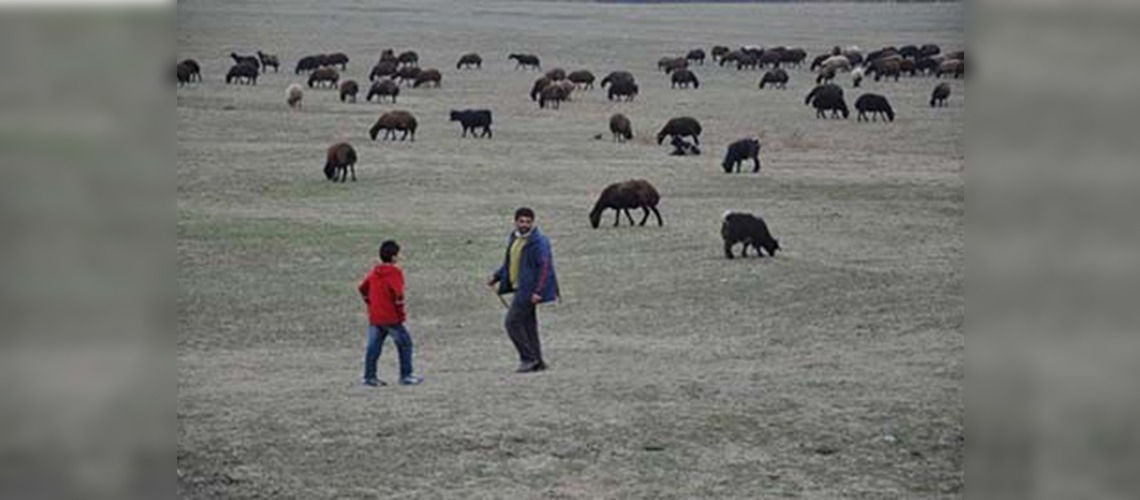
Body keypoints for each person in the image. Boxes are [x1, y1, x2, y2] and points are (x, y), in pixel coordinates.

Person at [487, 207, 560, 373]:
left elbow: (545, 268)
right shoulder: (515, 238)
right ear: (515, 222)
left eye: (528, 221)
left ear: (533, 222)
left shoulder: (539, 241)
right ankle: (538, 361)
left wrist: (538, 292)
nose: (524, 224)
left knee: (511, 323)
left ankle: (528, 358)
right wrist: (496, 277)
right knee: (528, 326)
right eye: (521, 221)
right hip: (519, 287)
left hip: (528, 290)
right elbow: (511, 263)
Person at [358, 240, 423, 386]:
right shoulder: (395, 273)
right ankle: (406, 375)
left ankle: (369, 376)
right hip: (391, 317)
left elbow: (362, 287)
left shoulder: (375, 271)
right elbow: (398, 295)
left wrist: (370, 302)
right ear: (394, 257)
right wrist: (400, 315)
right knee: (405, 344)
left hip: (375, 316)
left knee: (373, 346)